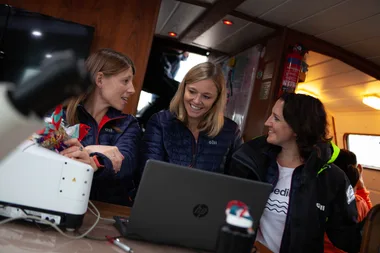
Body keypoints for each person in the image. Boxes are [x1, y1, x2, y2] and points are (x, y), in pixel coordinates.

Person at [229, 93, 362, 253]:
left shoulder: (332, 178)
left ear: (298, 128)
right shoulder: (253, 163)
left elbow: (348, 237)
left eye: (276, 118)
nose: (267, 122)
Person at [59, 48, 141, 206]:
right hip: (63, 202)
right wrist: (91, 150)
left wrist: (92, 158)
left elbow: (125, 164)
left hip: (105, 209)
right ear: (100, 80)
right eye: (125, 81)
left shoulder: (128, 124)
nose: (132, 89)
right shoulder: (61, 116)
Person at [140, 62, 242, 174]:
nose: (197, 101)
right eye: (192, 92)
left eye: (206, 96)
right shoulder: (161, 122)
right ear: (183, 89)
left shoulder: (231, 131)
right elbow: (148, 173)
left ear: (217, 99)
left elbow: (237, 182)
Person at [324, 149, 372, 253]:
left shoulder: (315, 199)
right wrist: (361, 185)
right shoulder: (358, 204)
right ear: (356, 171)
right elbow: (371, 225)